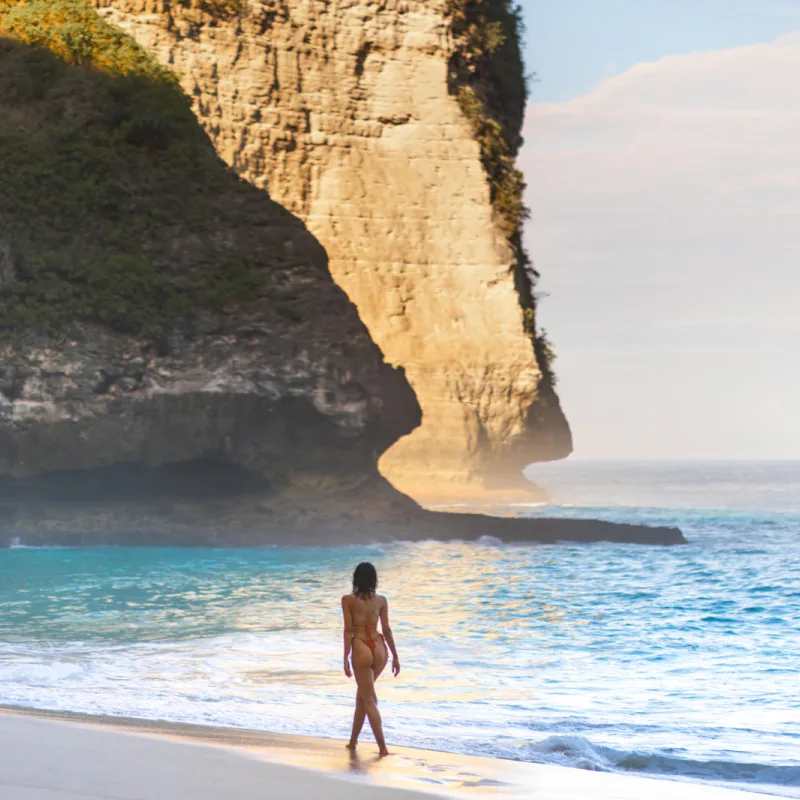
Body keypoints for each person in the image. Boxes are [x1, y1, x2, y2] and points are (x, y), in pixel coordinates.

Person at [341, 561, 400, 756]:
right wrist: (396, 657)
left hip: (361, 648)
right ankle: (353, 742)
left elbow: (348, 630)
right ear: (374, 580)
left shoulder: (348, 600)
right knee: (363, 697)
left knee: (370, 700)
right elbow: (387, 630)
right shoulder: (382, 600)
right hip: (380, 649)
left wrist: (346, 657)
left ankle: (383, 748)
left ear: (356, 579)